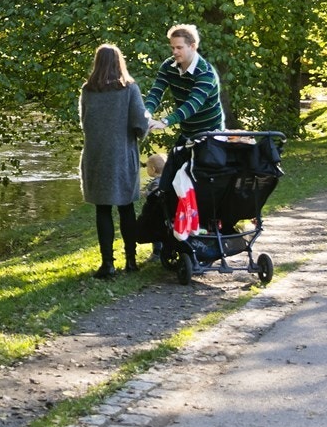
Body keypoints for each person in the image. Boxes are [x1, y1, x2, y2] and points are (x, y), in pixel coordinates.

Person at [79, 43, 150, 278]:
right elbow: (140, 124)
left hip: (96, 155)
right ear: (120, 62)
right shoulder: (129, 89)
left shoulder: (88, 90)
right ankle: (130, 260)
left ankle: (107, 263)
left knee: (103, 209)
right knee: (126, 208)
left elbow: (85, 123)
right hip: (122, 155)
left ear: (97, 63)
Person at [144, 24, 225, 142]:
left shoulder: (205, 72)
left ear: (192, 46)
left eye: (179, 47)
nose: (175, 52)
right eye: (172, 48)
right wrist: (146, 113)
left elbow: (193, 104)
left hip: (211, 135)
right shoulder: (168, 66)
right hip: (187, 133)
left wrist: (165, 122)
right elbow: (156, 93)